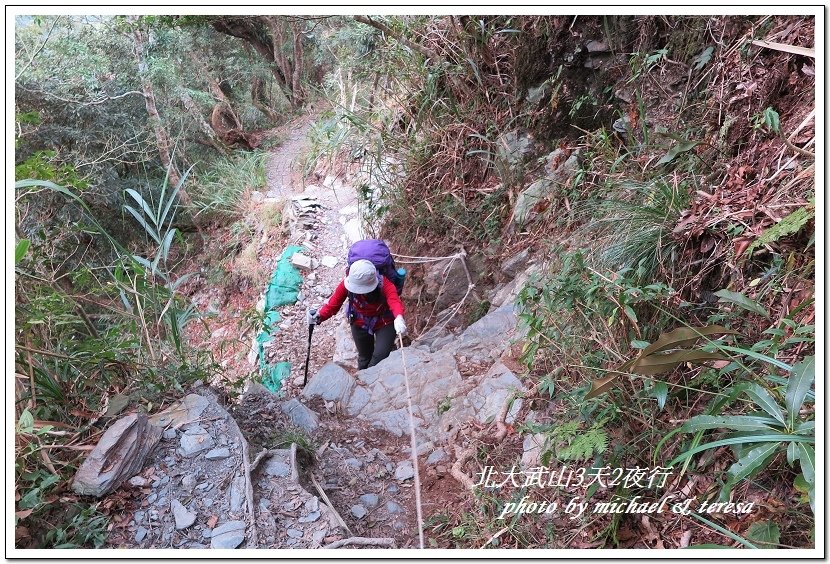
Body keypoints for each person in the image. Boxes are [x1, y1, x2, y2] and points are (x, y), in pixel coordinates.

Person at [307, 259, 406, 370]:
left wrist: (398, 317)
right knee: (364, 357)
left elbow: (394, 301)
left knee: (380, 357)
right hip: (359, 321)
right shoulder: (346, 284)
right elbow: (333, 305)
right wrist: (319, 316)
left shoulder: (385, 284)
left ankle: (370, 376)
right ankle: (362, 377)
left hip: (384, 321)